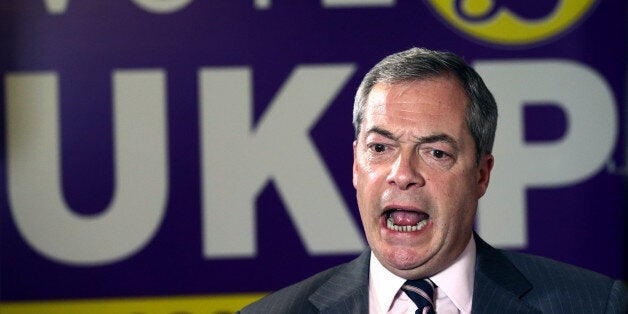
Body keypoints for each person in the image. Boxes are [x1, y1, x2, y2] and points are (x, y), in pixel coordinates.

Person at [239, 47, 628, 313]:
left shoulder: (594, 303)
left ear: (481, 175)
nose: (403, 174)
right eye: (380, 148)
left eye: (436, 153)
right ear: (356, 165)